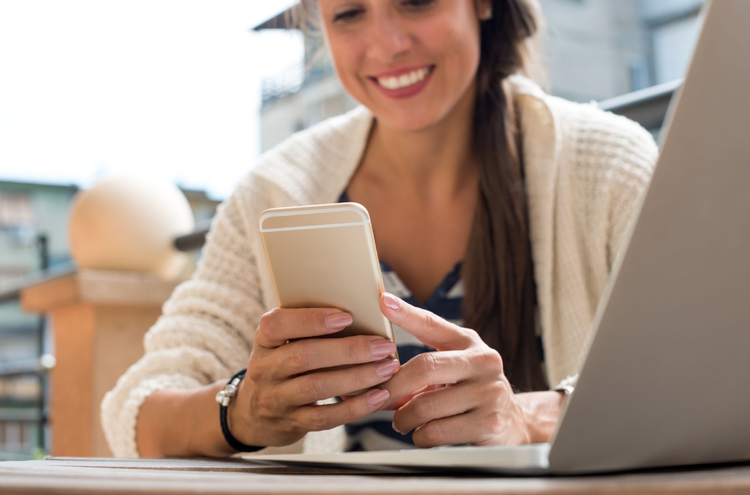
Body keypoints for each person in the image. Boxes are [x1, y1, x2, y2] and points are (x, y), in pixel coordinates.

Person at [102, 0, 658, 458]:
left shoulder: (607, 167)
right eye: (349, 14)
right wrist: (242, 412)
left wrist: (528, 419)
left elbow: (703, 380)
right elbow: (140, 415)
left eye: (416, 2)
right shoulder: (273, 194)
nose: (388, 44)